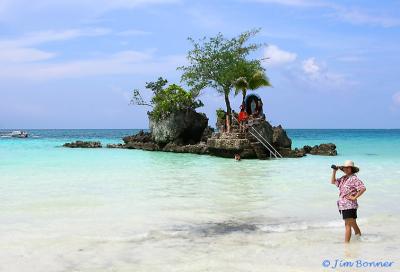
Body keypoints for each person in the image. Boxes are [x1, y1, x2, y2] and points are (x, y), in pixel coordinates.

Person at [331, 160, 366, 243]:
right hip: (343, 205)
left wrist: (354, 197)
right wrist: (334, 171)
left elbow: (363, 188)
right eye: (344, 168)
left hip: (349, 205)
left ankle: (346, 245)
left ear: (351, 169)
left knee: (347, 225)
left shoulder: (354, 178)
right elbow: (333, 182)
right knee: (353, 224)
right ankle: (359, 240)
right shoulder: (344, 178)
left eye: (348, 168)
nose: (346, 169)